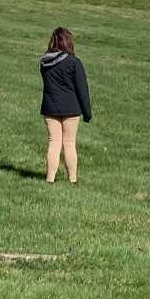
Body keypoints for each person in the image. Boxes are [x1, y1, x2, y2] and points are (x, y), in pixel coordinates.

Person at [39, 27, 92, 184]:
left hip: (50, 107)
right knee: (69, 143)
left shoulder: (44, 62)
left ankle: (49, 180)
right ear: (68, 42)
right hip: (71, 108)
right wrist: (87, 113)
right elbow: (82, 90)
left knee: (53, 142)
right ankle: (73, 180)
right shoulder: (74, 62)